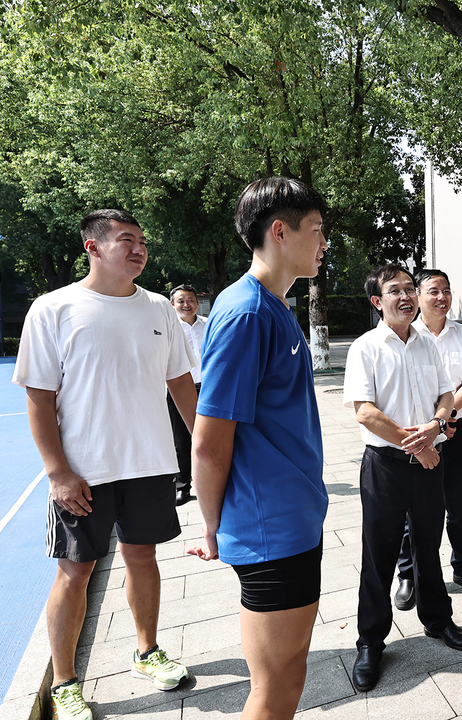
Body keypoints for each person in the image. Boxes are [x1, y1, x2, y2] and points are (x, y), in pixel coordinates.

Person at [14, 209, 196, 720]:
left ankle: (147, 651)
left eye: (142, 241)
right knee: (75, 572)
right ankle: (64, 682)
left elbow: (181, 384)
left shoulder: (159, 308)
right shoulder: (53, 309)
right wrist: (57, 472)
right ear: (92, 247)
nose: (139, 249)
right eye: (125, 240)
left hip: (149, 464)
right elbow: (39, 397)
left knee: (143, 558)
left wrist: (208, 447)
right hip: (84, 472)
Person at [186, 177, 330, 719]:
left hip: (292, 517)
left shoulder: (273, 306)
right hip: (270, 530)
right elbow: (209, 441)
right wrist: (211, 526)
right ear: (279, 232)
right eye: (316, 230)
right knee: (274, 689)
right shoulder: (246, 313)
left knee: (288, 676)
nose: (324, 243)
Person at [343, 265, 462, 693]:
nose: (405, 297)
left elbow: (446, 394)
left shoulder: (426, 343)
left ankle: (437, 620)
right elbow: (365, 412)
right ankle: (370, 641)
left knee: (428, 545)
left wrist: (437, 424)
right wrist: (417, 445)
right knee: (379, 554)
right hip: (386, 465)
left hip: (429, 461)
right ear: (377, 301)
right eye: (394, 291)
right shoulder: (365, 348)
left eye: (408, 289)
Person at [394, 268, 462, 612]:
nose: (441, 297)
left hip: (457, 429)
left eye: (446, 290)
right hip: (418, 434)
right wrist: (432, 426)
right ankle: (409, 574)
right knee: (413, 508)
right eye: (433, 291)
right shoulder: (406, 335)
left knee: (459, 505)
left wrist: (446, 417)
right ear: (418, 296)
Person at [167, 284, 206, 505]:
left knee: (211, 436)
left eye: (190, 300)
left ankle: (211, 481)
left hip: (208, 388)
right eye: (181, 301)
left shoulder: (209, 325)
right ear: (172, 304)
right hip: (178, 390)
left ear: (197, 303)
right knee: (181, 440)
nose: (186, 305)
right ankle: (182, 485)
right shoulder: (168, 329)